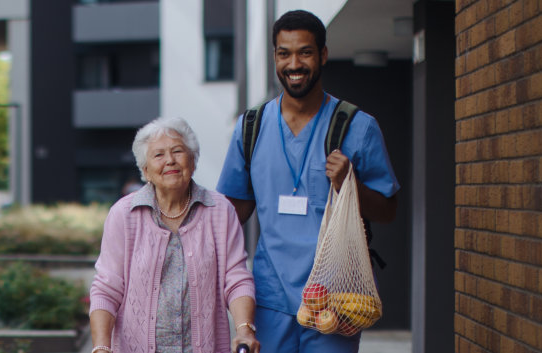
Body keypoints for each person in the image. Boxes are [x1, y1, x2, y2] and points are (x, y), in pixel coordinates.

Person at [217, 9, 400, 353]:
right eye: (284, 53)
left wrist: (350, 184)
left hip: (336, 299)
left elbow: (388, 210)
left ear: (323, 55)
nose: (294, 64)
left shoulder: (357, 126)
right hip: (271, 298)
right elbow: (232, 210)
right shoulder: (251, 127)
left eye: (305, 52)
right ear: (275, 57)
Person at [89, 117, 260, 353]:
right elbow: (107, 289)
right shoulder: (123, 215)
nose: (170, 160)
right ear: (146, 170)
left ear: (193, 161)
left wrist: (244, 330)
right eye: (158, 155)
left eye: (178, 151)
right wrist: (100, 347)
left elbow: (236, 278)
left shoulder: (220, 211)